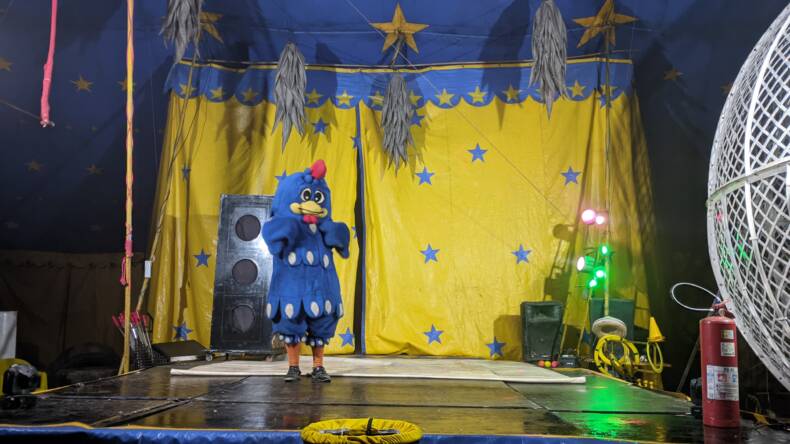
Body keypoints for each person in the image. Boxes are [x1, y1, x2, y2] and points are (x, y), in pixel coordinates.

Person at [262, 159, 350, 383]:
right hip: (291, 287)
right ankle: (293, 366)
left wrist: (333, 231)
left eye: (317, 197)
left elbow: (341, 240)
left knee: (322, 323)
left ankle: (318, 366)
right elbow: (273, 238)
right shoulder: (283, 225)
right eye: (306, 196)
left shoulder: (324, 228)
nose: (311, 203)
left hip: (322, 286)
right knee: (291, 321)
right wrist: (288, 226)